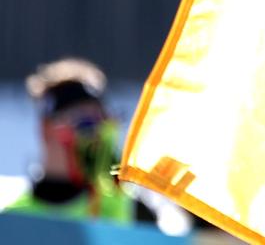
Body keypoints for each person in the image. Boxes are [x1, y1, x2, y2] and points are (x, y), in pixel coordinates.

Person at [3, 59, 157, 224]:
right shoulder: (12, 221)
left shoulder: (133, 210)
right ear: (47, 129)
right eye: (85, 123)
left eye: (103, 123)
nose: (97, 136)